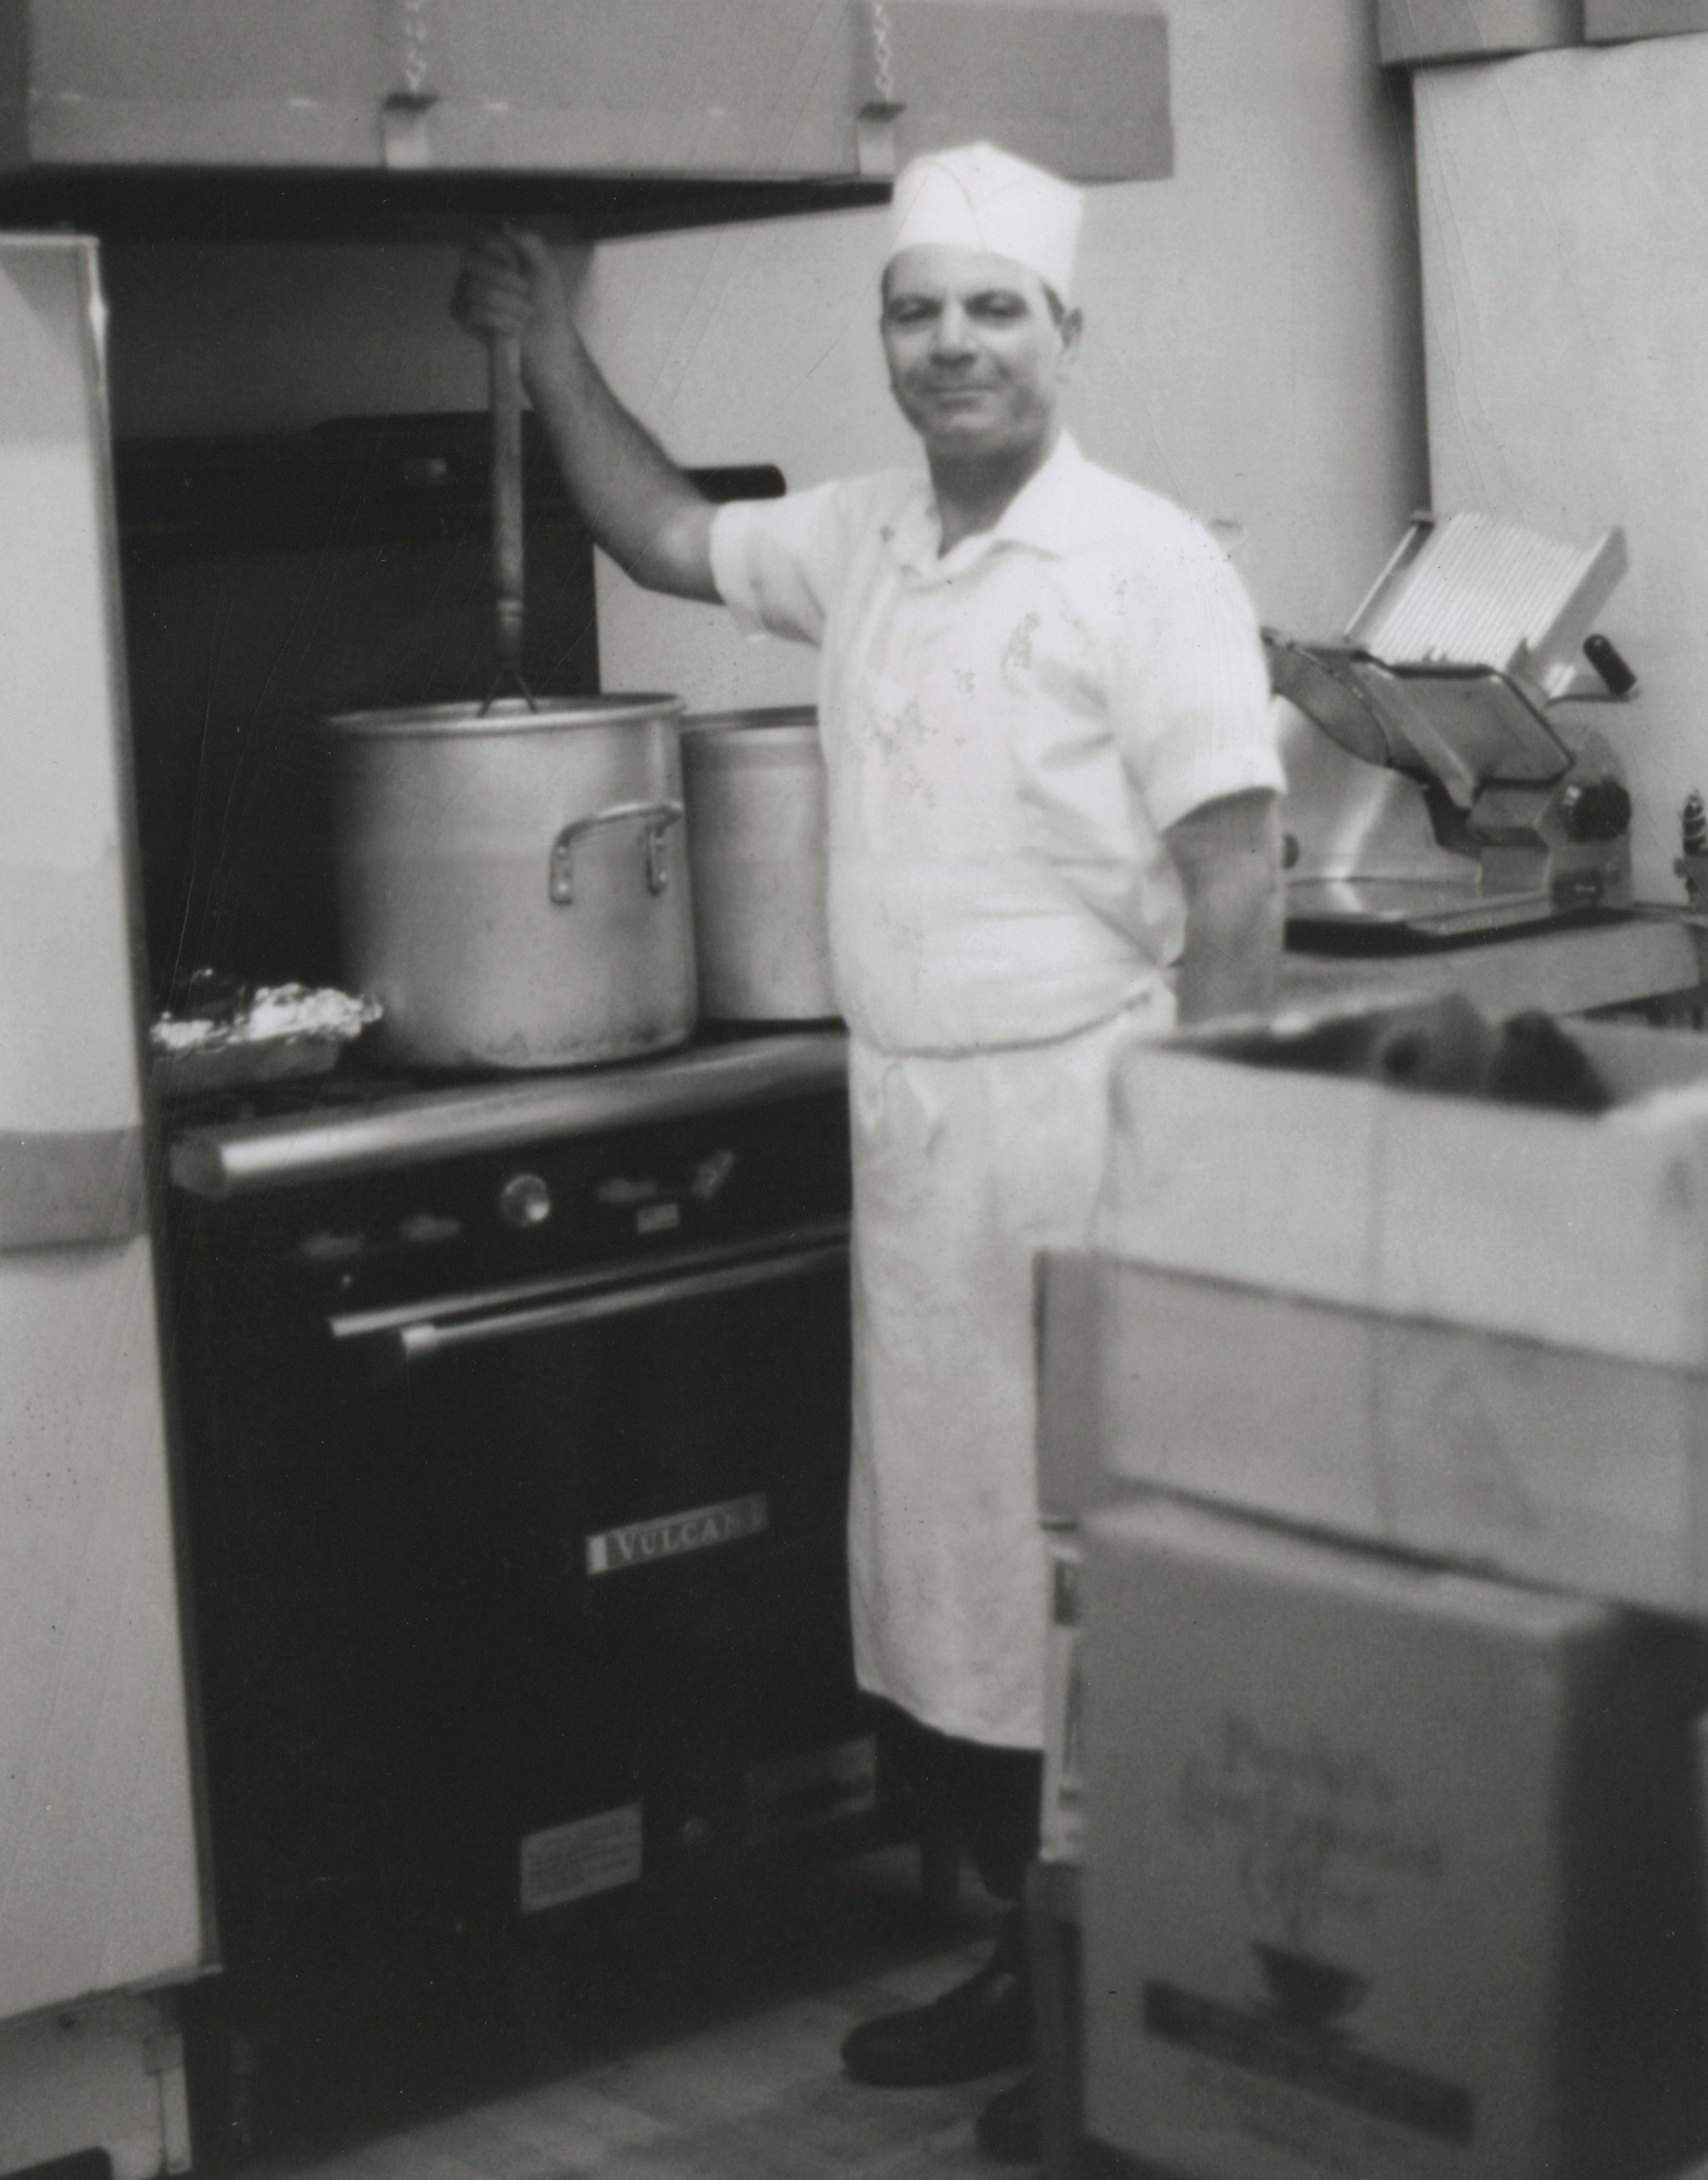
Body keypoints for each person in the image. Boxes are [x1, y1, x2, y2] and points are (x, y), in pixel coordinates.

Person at [454, 140, 1284, 2164]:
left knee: (1084, 1585)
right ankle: (1026, 1953)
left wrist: (1202, 1187)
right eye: (916, 312)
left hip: (1086, 1130)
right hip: (913, 1134)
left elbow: (1237, 876)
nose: (949, 346)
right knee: (951, 1597)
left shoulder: (1144, 564)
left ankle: (1120, 2016)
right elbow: (658, 531)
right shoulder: (862, 541)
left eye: (991, 309)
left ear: (1063, 332)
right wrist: (548, 344)